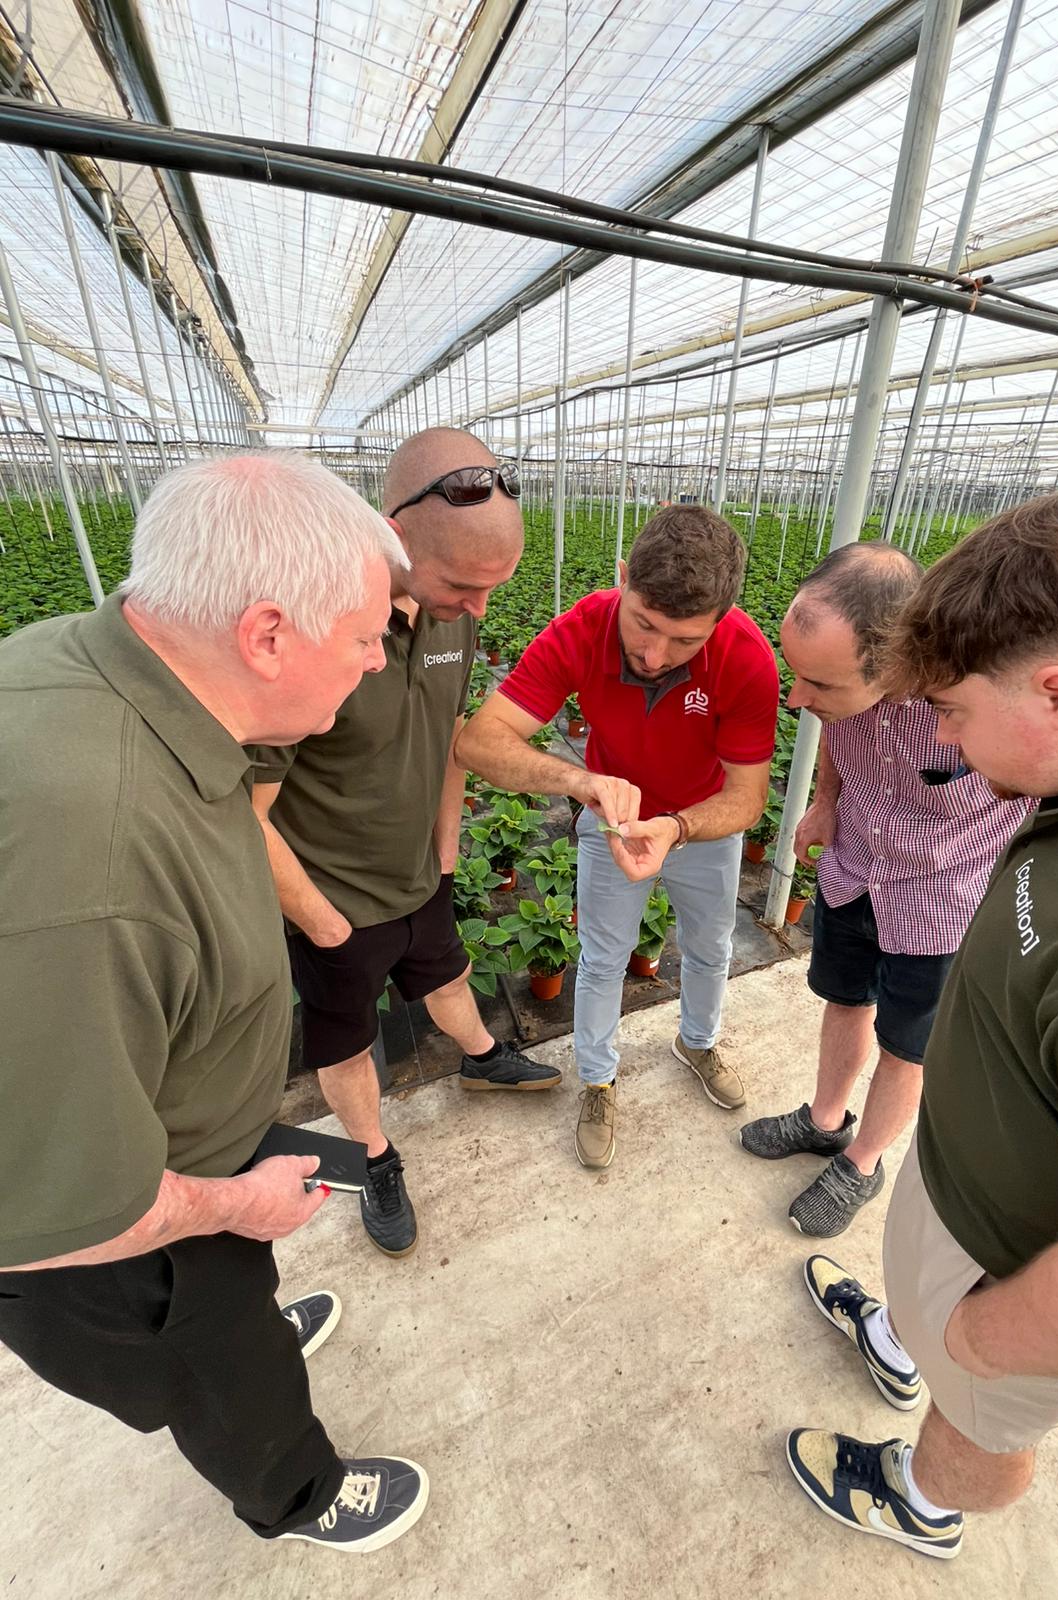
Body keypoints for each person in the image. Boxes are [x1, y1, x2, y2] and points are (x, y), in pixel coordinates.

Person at [0, 454, 429, 1554]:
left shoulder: (98, 666)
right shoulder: (93, 871)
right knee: (220, 1366)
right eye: (367, 633)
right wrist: (234, 1206)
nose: (381, 657)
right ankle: (296, 1493)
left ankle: (246, 1315)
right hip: (129, 1244)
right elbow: (71, 1210)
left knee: (240, 1308)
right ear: (269, 634)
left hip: (164, 1133)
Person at [786, 490, 1058, 1560]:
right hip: (969, 1208)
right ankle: (901, 1333)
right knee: (935, 1330)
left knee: (981, 1407)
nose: (949, 739)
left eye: (957, 715)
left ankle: (923, 1499)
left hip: (1013, 1285)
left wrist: (977, 1340)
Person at [249, 429, 561, 1260]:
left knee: (448, 970)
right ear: (391, 532)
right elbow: (246, 812)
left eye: (497, 585)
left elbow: (451, 736)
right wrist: (318, 921)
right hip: (335, 900)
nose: (482, 607)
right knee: (347, 1036)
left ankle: (483, 1057)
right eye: (463, 581)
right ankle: (374, 1158)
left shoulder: (454, 628)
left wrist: (447, 857)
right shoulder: (320, 636)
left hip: (421, 873)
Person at [457, 505, 779, 1170]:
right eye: (644, 625)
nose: (656, 655)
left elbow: (746, 798)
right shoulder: (582, 629)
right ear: (623, 577)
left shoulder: (747, 659)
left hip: (701, 827)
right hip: (611, 823)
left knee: (711, 944)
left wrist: (679, 826)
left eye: (685, 641)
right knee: (603, 957)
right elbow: (479, 742)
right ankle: (599, 1079)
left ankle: (697, 1041)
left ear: (721, 618)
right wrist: (581, 783)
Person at [740, 543, 1029, 1236]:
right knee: (845, 999)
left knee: (909, 1042)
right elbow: (840, 735)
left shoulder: (984, 701)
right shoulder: (843, 695)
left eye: (819, 684)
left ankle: (863, 1164)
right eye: (796, 674)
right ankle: (824, 1121)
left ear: (897, 659)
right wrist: (825, 800)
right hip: (854, 869)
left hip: (944, 899)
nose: (796, 697)